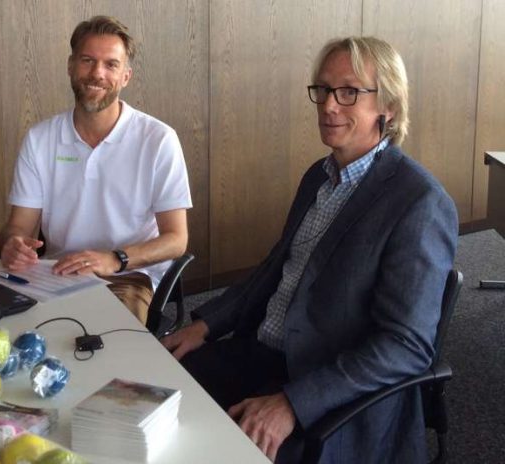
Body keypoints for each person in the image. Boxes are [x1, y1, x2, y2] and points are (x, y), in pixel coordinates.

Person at [162, 36, 458, 463]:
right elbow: (273, 271)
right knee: (158, 390)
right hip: (264, 351)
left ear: (388, 107)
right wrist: (205, 327)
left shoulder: (419, 203)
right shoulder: (318, 177)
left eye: (349, 92)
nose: (329, 105)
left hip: (328, 386)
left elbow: (405, 346)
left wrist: (294, 403)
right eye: (322, 89)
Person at [0, 16, 192, 324]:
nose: (97, 73)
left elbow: (176, 239)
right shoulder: (40, 138)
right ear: (71, 66)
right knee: (0, 328)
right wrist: (12, 245)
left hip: (126, 276)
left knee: (109, 346)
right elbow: (18, 227)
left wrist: (115, 259)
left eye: (110, 65)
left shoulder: (158, 139)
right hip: (54, 271)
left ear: (125, 76)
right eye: (87, 60)